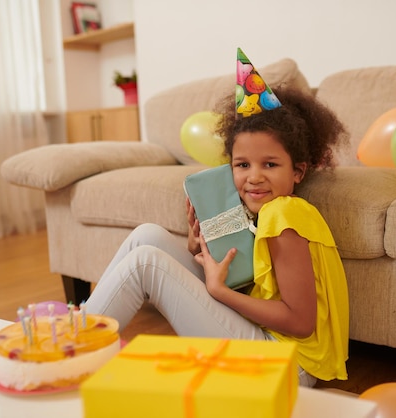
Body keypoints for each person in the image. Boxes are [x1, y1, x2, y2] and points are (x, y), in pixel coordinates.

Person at [86, 50, 349, 386]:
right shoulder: (260, 212)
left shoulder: (286, 215)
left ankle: (76, 349)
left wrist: (219, 291)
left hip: (289, 365)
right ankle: (82, 329)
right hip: (266, 341)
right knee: (147, 236)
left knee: (145, 264)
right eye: (242, 165)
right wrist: (198, 248)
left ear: (298, 171)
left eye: (270, 164)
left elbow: (300, 322)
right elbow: (250, 279)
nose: (253, 177)